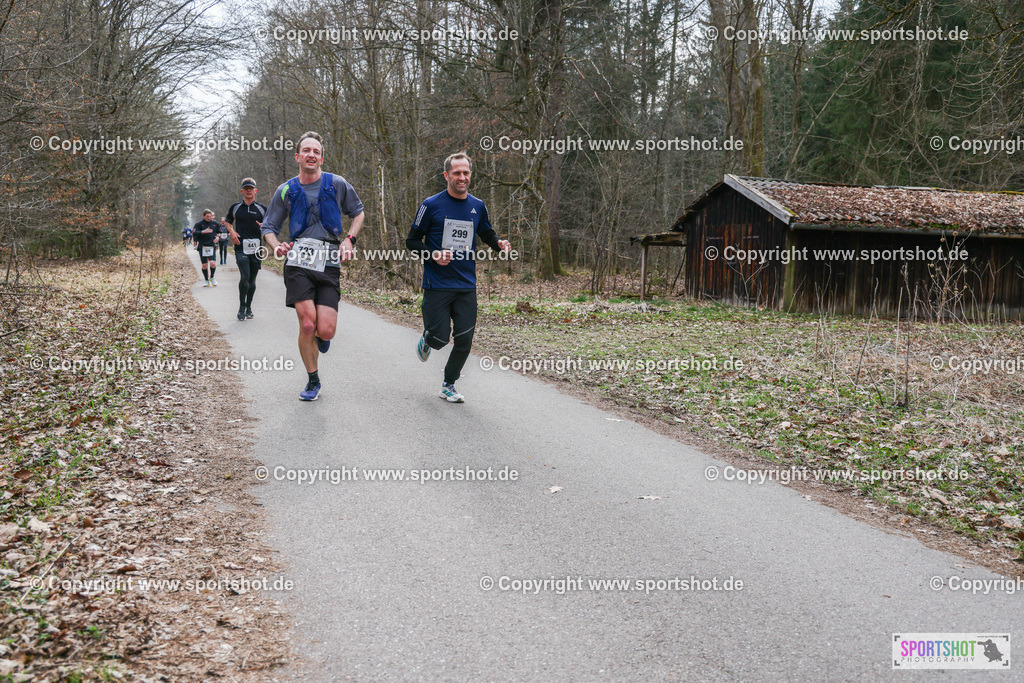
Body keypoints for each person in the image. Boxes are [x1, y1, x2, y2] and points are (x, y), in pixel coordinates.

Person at [261, 131, 365, 401]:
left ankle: (321, 337)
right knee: (307, 324)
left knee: (325, 330)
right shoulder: (286, 189)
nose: (311, 155)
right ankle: (313, 380)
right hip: (298, 261)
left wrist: (349, 240)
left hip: (329, 260)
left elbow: (358, 212)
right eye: (306, 151)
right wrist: (277, 246)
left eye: (316, 151)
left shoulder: (337, 183)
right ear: (298, 157)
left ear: (321, 157)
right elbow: (269, 227)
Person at [406, 152, 511, 403]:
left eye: (466, 173)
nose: (462, 177)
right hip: (437, 283)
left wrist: (498, 243)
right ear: (446, 175)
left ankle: (448, 384)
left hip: (466, 283)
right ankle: (428, 338)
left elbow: (486, 232)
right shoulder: (430, 205)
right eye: (457, 173)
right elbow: (411, 241)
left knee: (464, 339)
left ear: (470, 175)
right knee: (441, 338)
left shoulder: (478, 205)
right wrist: (433, 255)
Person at [224, 178, 267, 321]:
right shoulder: (235, 207)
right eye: (246, 188)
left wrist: (265, 228)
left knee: (252, 280)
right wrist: (232, 232)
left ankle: (249, 307)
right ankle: (241, 307)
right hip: (241, 247)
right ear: (242, 191)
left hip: (256, 248)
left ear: (255, 191)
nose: (249, 191)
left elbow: (271, 225)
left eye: (251, 188)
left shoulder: (262, 208)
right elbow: (228, 222)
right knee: (245, 277)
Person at [192, 209, 221, 286]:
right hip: (202, 246)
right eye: (207, 216)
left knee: (213, 263)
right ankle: (206, 280)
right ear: (203, 216)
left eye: (210, 216)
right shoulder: (199, 224)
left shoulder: (215, 223)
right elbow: (194, 232)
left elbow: (219, 232)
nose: (209, 218)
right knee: (204, 265)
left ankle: (212, 277)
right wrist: (203, 231)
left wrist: (218, 237)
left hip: (211, 246)